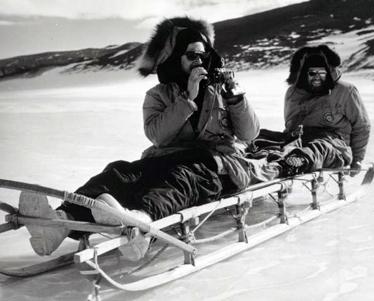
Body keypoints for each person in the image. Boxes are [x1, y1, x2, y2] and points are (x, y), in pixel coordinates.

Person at [19, 17, 260, 261]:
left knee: (180, 180)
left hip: (216, 164)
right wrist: (187, 99)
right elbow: (157, 136)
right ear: (176, 57)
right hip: (168, 156)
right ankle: (60, 223)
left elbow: (250, 134)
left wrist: (236, 98)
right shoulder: (157, 95)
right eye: (191, 56)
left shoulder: (222, 90)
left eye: (203, 54)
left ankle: (141, 224)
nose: (200, 61)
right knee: (119, 173)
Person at [277, 44, 371, 176]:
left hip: (334, 145)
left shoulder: (345, 91)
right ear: (305, 73)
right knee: (266, 138)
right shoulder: (293, 93)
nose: (317, 77)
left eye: (322, 73)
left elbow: (361, 126)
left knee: (319, 147)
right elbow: (290, 123)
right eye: (312, 73)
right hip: (301, 139)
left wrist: (357, 159)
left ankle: (299, 161)